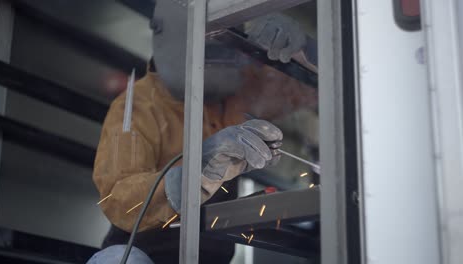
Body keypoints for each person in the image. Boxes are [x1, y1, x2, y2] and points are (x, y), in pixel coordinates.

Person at [89, 0, 317, 263]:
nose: (221, 60)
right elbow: (119, 200)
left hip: (211, 255)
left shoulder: (233, 94)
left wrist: (300, 51)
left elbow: (309, 90)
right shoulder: (139, 107)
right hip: (147, 252)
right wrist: (194, 171)